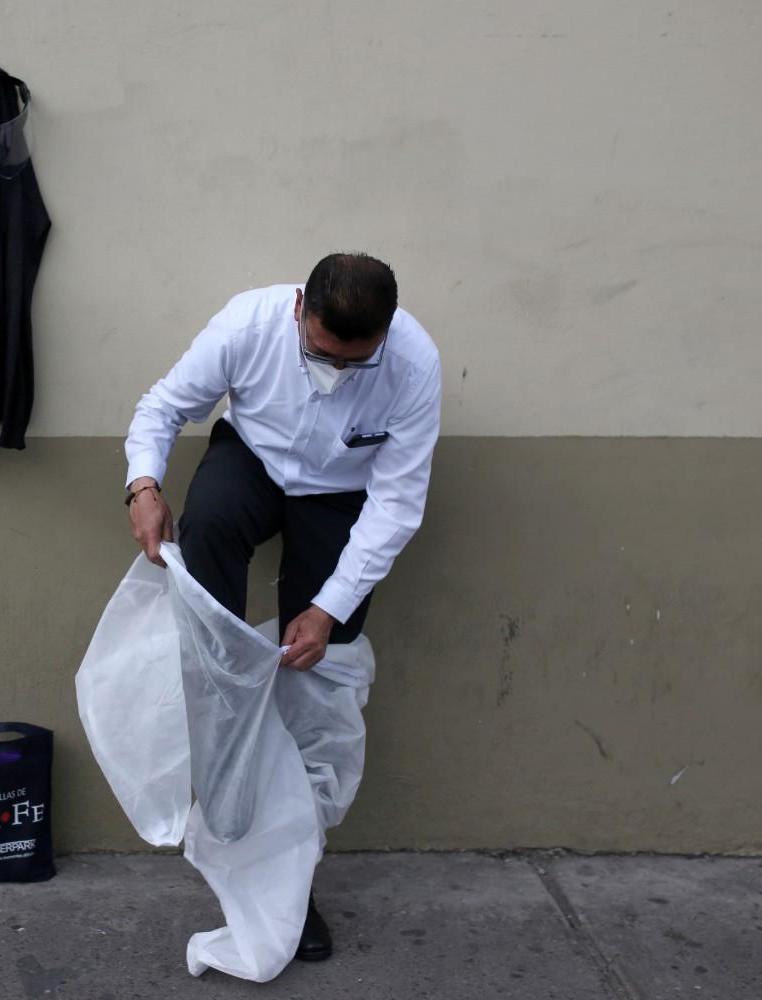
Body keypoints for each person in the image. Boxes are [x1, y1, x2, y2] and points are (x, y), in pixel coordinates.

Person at [122, 252, 441, 962]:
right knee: (206, 539)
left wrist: (327, 610)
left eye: (356, 365)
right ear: (299, 308)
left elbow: (396, 503)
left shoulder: (414, 364)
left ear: (385, 337)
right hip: (254, 462)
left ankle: (293, 886)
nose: (335, 374)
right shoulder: (247, 323)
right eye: (321, 354)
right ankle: (220, 763)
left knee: (318, 674)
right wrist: (142, 487)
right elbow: (165, 406)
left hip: (341, 494)